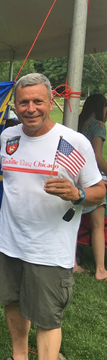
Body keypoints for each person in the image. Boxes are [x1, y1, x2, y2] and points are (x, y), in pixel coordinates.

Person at [0, 73, 105, 360]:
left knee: (47, 316)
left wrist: (77, 193)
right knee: (12, 302)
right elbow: (13, 186)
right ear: (15, 105)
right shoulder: (8, 137)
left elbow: (100, 191)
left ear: (51, 102)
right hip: (10, 240)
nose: (31, 108)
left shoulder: (74, 142)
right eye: (23, 102)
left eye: (38, 101)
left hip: (50, 248)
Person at [77, 93, 107, 280]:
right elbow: (97, 156)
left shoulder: (79, 122)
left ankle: (72, 262)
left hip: (76, 176)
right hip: (92, 178)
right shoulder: (98, 125)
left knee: (72, 221)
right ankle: (100, 269)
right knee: (97, 225)